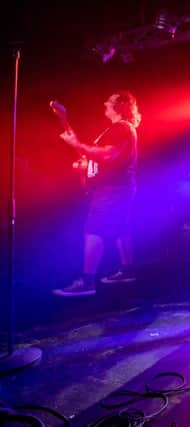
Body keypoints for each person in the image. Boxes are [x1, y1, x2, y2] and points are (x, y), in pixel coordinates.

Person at [53, 91, 140, 297]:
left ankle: (87, 281)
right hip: (118, 187)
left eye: (109, 101)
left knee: (93, 229)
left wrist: (76, 145)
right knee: (121, 228)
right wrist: (85, 164)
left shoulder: (121, 128)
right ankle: (127, 271)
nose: (104, 102)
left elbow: (108, 154)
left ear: (119, 107)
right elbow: (100, 157)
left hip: (112, 189)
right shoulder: (118, 129)